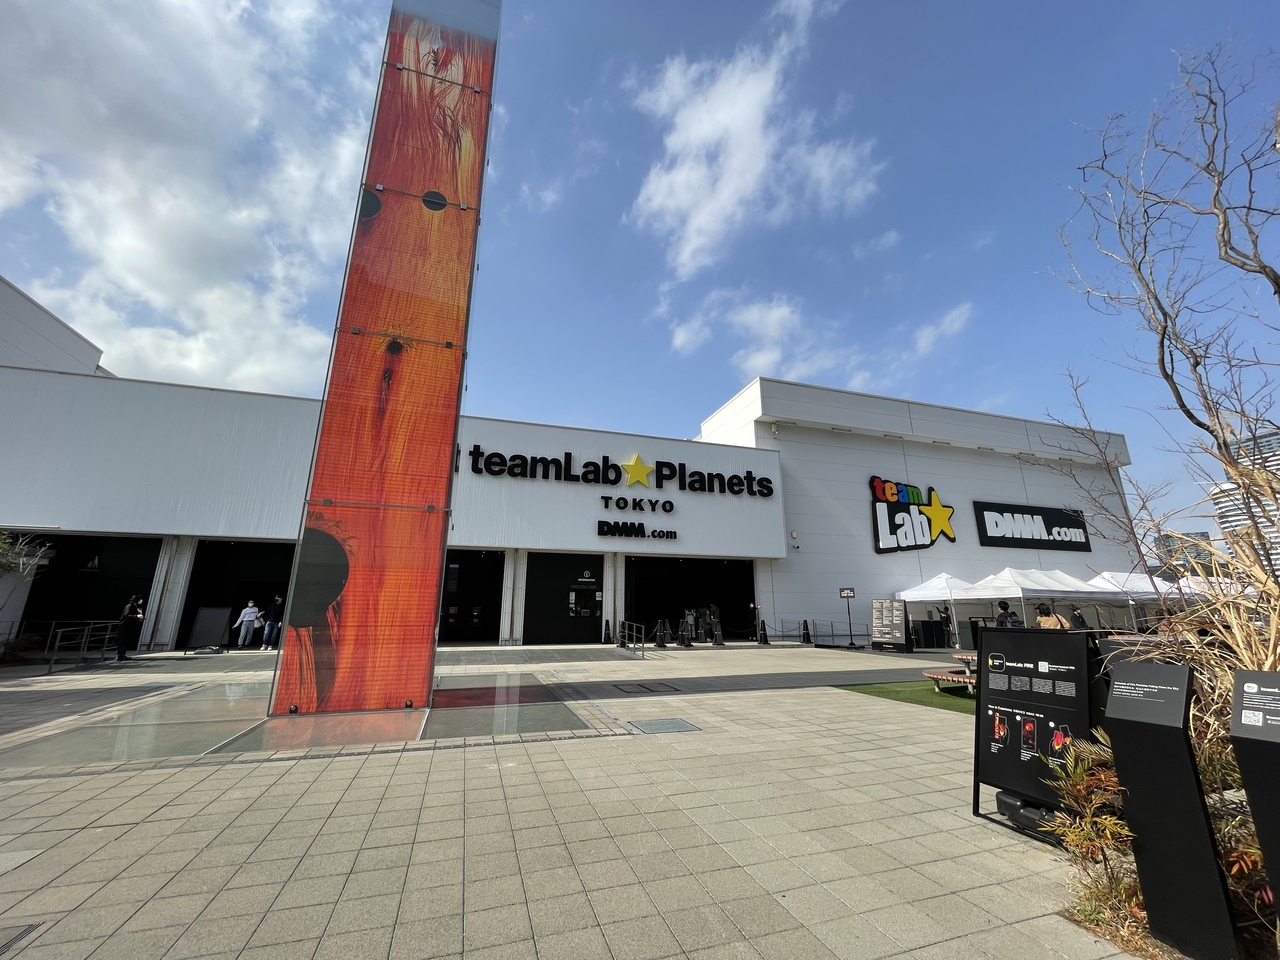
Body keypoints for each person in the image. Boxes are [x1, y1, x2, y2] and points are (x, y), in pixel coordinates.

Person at [116, 594, 144, 661]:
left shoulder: (135, 607)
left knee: (125, 641)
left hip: (128, 627)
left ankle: (122, 655)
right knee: (123, 641)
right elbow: (127, 615)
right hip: (124, 626)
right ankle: (120, 656)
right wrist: (136, 616)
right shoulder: (129, 606)